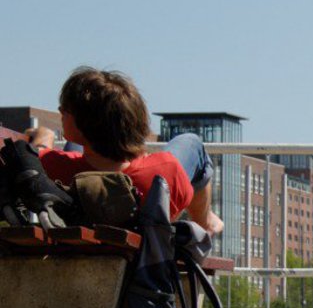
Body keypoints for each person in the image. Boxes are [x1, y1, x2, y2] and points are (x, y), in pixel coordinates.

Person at [28, 67, 223, 235]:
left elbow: (28, 160)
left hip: (83, 221)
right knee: (191, 142)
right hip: (144, 232)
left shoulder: (53, 167)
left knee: (75, 149)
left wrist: (44, 139)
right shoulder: (165, 173)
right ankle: (205, 221)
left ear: (81, 126)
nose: (60, 110)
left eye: (66, 110)